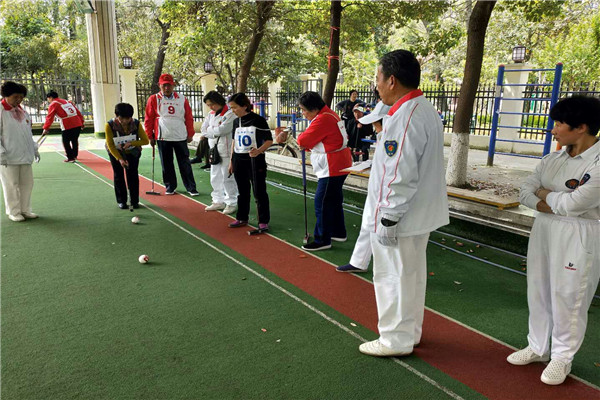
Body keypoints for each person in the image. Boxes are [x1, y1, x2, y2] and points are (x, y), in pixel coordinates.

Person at [357, 50, 448, 357]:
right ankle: (409, 333)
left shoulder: (405, 116)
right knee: (409, 276)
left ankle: (395, 339)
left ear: (391, 80)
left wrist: (388, 219)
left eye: (377, 79)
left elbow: (399, 174)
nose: (376, 85)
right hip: (413, 215)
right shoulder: (420, 109)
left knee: (391, 278)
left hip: (401, 218)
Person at [507, 96, 600, 386]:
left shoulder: (597, 162)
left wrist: (545, 194)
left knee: (569, 295)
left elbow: (577, 205)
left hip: (580, 232)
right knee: (539, 287)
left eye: (559, 124)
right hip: (544, 228)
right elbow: (524, 192)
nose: (554, 129)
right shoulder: (553, 159)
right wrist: (554, 201)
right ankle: (537, 346)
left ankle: (562, 356)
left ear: (581, 127)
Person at [336, 100, 390, 273]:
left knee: (380, 229)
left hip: (387, 193)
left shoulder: (392, 139)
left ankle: (384, 269)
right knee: (368, 223)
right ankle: (359, 261)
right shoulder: (384, 137)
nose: (375, 126)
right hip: (377, 188)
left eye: (376, 123)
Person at [297, 91, 353, 251]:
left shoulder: (323, 118)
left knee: (322, 202)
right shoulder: (328, 114)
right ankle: (338, 232)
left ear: (314, 108)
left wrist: (307, 143)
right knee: (334, 200)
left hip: (333, 166)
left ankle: (323, 239)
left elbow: (303, 140)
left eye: (304, 109)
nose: (303, 113)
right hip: (339, 163)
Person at [144, 73, 199, 196]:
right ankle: (170, 186)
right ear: (159, 85)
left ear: (173, 85)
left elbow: (188, 117)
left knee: (184, 162)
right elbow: (149, 118)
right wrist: (150, 135)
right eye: (164, 86)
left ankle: (191, 187)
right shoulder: (153, 99)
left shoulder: (181, 98)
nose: (167, 88)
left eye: (169, 85)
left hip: (180, 135)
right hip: (163, 135)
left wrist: (190, 133)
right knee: (166, 163)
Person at [227, 93, 273, 231]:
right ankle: (242, 217)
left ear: (244, 106)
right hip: (239, 159)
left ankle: (263, 221)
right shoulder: (236, 122)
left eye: (234, 107)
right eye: (231, 108)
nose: (232, 110)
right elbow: (234, 142)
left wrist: (258, 151)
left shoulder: (258, 120)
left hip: (255, 160)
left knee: (259, 191)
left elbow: (269, 140)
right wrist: (231, 161)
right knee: (242, 191)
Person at [0, 81, 40, 222]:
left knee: (27, 184)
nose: (19, 100)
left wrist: (34, 149)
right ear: (6, 96)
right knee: (11, 185)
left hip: (25, 154)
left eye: (21, 97)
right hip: (8, 157)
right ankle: (13, 211)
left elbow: (28, 133)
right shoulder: (1, 110)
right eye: (16, 97)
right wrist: (1, 153)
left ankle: (25, 209)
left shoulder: (22, 111)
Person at [105, 103, 149, 210]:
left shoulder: (136, 124)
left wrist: (132, 143)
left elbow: (145, 141)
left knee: (133, 175)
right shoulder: (110, 125)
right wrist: (120, 159)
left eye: (127, 118)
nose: (124, 121)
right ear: (116, 116)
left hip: (132, 152)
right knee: (118, 175)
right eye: (121, 118)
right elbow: (110, 145)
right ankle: (122, 201)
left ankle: (134, 201)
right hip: (115, 152)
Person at [200, 91, 238, 215]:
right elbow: (203, 129)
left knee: (228, 177)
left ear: (218, 102)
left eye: (212, 104)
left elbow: (223, 130)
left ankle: (231, 202)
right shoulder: (211, 114)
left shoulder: (230, 114)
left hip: (226, 150)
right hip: (214, 149)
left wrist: (211, 130)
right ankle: (218, 200)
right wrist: (213, 131)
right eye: (208, 105)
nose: (210, 107)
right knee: (215, 176)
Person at [42, 90, 85, 163]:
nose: (48, 101)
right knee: (74, 140)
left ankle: (70, 157)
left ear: (51, 98)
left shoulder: (54, 104)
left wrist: (46, 128)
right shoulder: (67, 101)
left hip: (67, 124)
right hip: (77, 122)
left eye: (48, 99)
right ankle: (74, 155)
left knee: (66, 141)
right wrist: (82, 122)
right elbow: (77, 112)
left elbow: (50, 117)